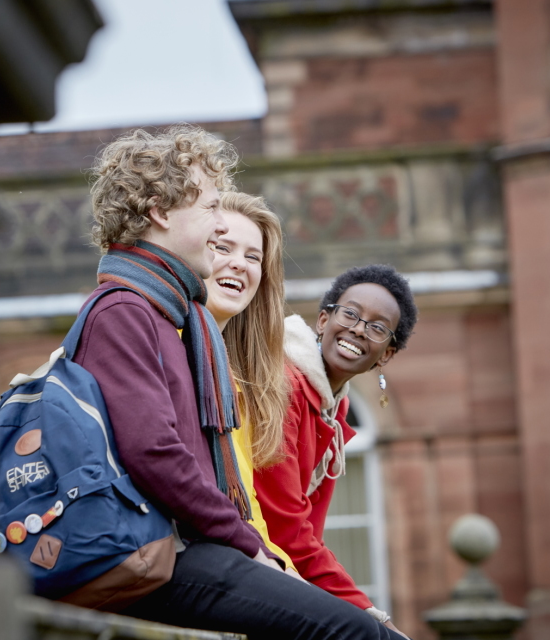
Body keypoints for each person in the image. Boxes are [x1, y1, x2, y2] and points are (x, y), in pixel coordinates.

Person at [74, 125, 405, 640]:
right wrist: (251, 545)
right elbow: (156, 454)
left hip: (184, 549)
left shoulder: (167, 315)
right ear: (161, 213)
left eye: (253, 255)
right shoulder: (126, 309)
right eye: (210, 210)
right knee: (359, 635)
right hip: (155, 551)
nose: (218, 229)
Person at [255, 264, 419, 638]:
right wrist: (370, 612)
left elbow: (311, 530)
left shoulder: (334, 407)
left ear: (386, 354)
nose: (359, 329)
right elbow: (285, 527)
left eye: (377, 327)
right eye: (351, 314)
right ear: (324, 319)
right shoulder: (284, 385)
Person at [201, 192, 296, 572]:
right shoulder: (167, 347)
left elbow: (251, 512)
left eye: (253, 257)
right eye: (223, 247)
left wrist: (289, 573)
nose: (239, 264)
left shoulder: (239, 381)